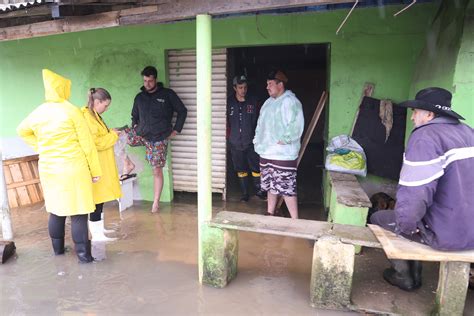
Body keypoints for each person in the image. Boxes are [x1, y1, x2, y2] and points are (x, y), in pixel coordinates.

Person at [370, 87, 474, 291]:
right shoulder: (468, 132)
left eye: (415, 112)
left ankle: (405, 276)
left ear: (429, 115)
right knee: (412, 219)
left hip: (448, 236)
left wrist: (406, 227)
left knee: (380, 219)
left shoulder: (426, 138)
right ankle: (413, 271)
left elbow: (414, 195)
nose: (412, 118)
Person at [17, 69, 101, 263]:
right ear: (63, 89)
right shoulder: (71, 110)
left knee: (56, 210)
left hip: (49, 169)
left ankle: (58, 253)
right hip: (74, 168)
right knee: (79, 212)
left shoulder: (39, 112)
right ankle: (84, 257)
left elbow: (22, 131)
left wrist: (41, 146)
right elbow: (87, 144)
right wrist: (95, 171)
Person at [126, 66, 187, 213]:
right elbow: (134, 115)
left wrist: (176, 130)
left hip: (158, 138)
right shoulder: (139, 97)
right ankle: (128, 164)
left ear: (156, 79)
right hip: (142, 134)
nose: (147, 84)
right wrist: (135, 126)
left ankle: (155, 203)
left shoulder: (167, 94)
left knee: (156, 171)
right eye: (145, 81)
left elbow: (182, 111)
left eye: (150, 81)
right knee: (116, 137)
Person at [253, 70, 304, 219]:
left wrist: (286, 139)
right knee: (270, 186)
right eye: (267, 84)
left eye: (270, 84)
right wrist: (257, 140)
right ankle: (270, 212)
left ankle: (295, 220)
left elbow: (297, 124)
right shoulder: (268, 103)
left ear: (280, 85)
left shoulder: (290, 101)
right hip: (266, 151)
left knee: (286, 187)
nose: (267, 87)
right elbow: (260, 124)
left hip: (283, 154)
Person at [82, 88, 122, 242]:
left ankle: (100, 229)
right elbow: (96, 142)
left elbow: (100, 135)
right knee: (97, 199)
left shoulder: (95, 115)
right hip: (96, 164)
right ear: (97, 102)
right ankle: (97, 235)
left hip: (103, 162)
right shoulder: (87, 117)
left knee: (102, 197)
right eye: (105, 106)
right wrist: (112, 136)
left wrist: (110, 132)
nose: (106, 109)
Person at [227, 75, 266, 202]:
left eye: (245, 87)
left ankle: (259, 191)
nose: (243, 90)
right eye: (240, 87)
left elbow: (261, 121)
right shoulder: (229, 102)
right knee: (240, 168)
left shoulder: (254, 101)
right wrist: (229, 137)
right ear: (234, 88)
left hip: (251, 142)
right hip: (235, 143)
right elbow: (226, 122)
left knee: (256, 167)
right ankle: (245, 194)